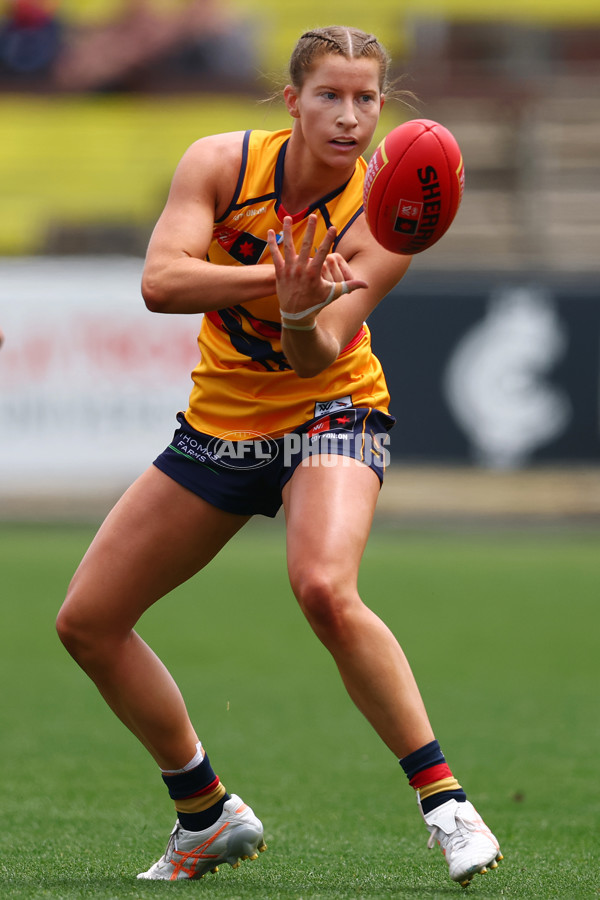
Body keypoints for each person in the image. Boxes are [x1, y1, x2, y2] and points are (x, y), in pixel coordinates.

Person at [56, 25, 502, 886]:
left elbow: (316, 353)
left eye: (365, 99)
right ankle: (206, 813)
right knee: (87, 623)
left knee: (325, 588)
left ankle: (446, 803)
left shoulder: (390, 214)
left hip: (332, 410)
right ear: (291, 101)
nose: (349, 116)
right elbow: (160, 282)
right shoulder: (221, 165)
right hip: (222, 425)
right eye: (329, 95)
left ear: (383, 106)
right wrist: (281, 278)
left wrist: (302, 310)